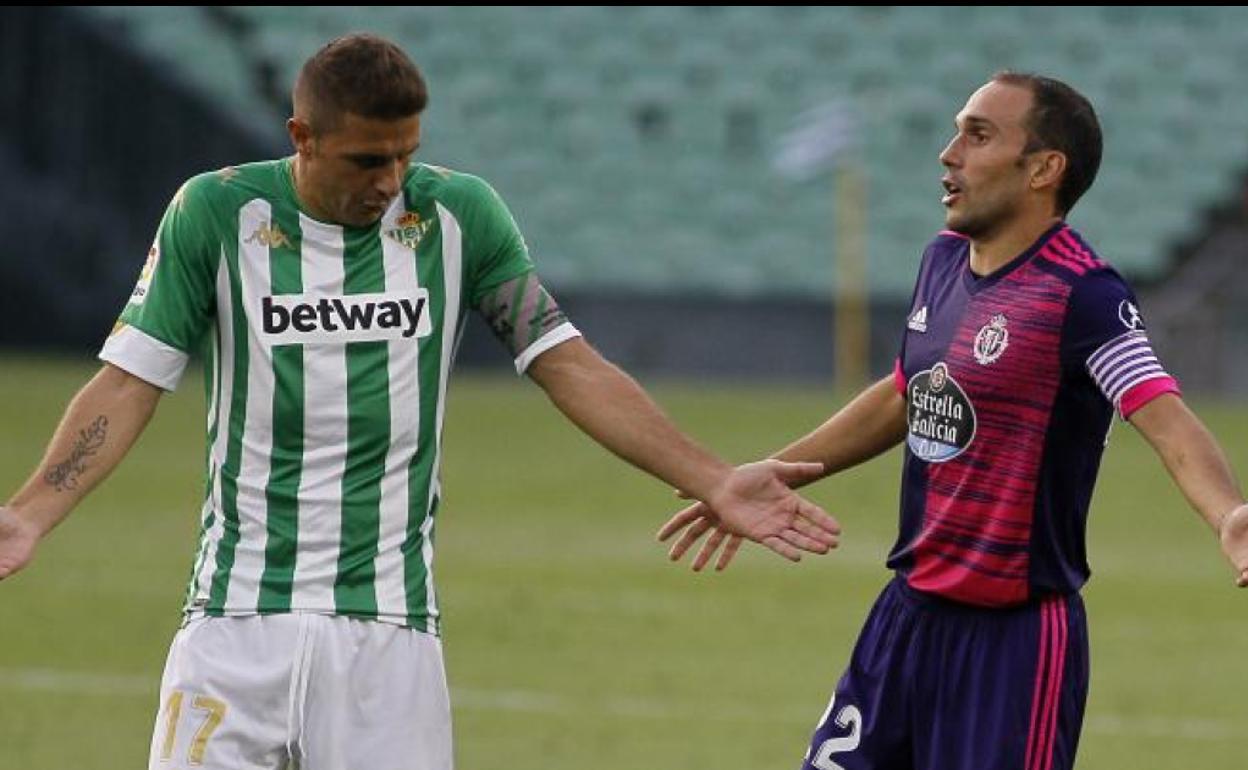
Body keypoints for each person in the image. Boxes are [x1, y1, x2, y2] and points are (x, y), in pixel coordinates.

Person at [0, 34, 842, 770]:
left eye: (405, 155)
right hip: (233, 621)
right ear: (302, 136)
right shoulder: (216, 214)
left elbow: (568, 362)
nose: (390, 180)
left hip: (389, 631)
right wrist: (33, 512)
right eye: (368, 160)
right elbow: (129, 379)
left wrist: (713, 478)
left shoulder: (458, 214)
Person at [659, 71, 1248, 770]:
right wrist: (776, 472)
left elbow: (1165, 417)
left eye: (978, 134)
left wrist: (1227, 514)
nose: (948, 153)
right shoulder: (941, 262)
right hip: (905, 618)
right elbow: (906, 393)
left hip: (1014, 646)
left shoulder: (1082, 292)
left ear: (1043, 169)